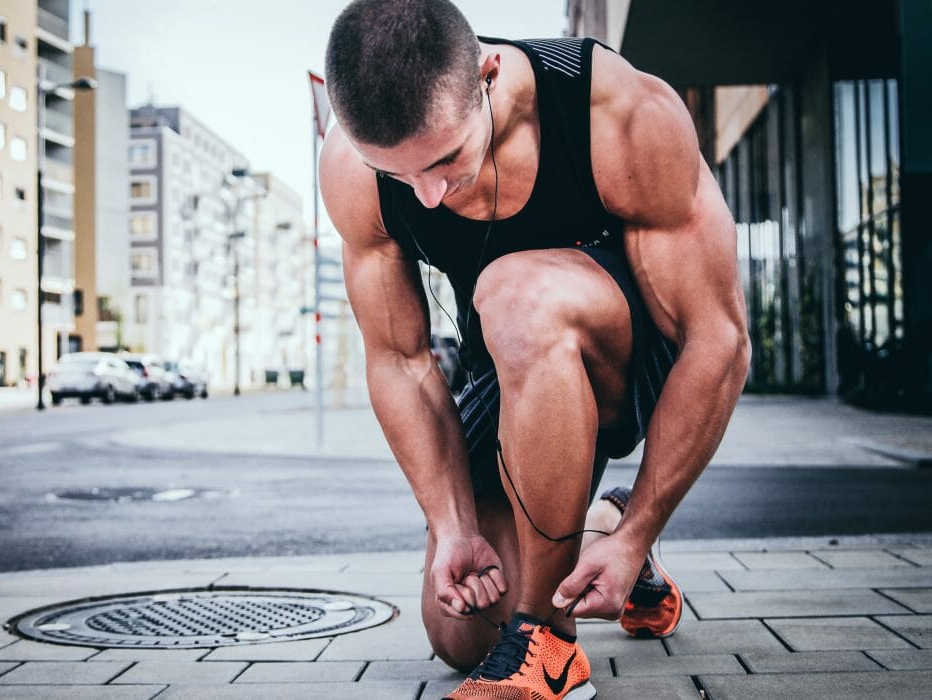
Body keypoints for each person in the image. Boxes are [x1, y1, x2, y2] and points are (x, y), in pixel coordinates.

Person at [319, 1, 750, 698]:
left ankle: (549, 651)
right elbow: (399, 360)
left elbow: (719, 337)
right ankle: (593, 526)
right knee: (460, 632)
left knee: (516, 292)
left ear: (488, 76)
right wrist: (452, 524)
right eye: (400, 176)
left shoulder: (613, 110)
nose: (427, 197)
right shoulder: (352, 169)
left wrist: (643, 526)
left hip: (628, 357)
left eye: (445, 158)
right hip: (510, 366)